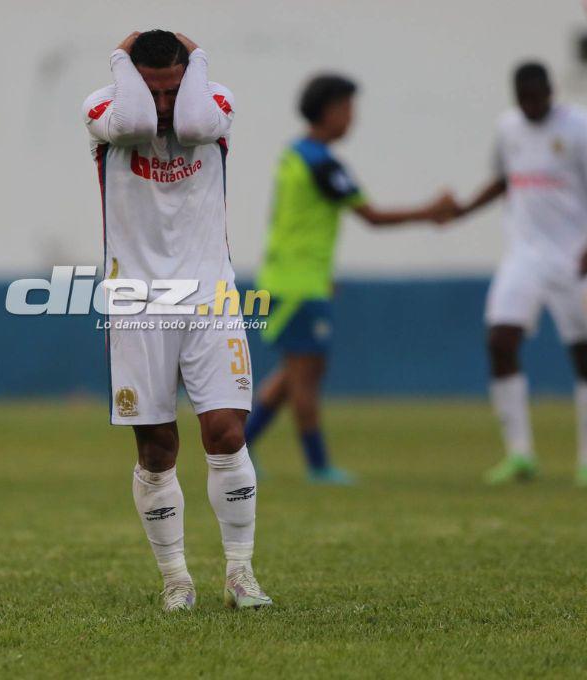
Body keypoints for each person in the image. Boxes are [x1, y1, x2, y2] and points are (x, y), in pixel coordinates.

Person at [82, 30, 271, 611]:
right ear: (131, 80)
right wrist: (123, 58)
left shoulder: (213, 105)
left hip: (210, 296)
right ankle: (176, 580)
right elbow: (138, 121)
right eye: (152, 90)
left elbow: (190, 127)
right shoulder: (104, 109)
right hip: (137, 303)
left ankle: (240, 573)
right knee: (157, 448)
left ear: (190, 78)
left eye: (173, 88)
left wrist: (198, 60)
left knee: (227, 434)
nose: (163, 105)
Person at [243, 74, 457, 484]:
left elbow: (298, 223)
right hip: (298, 284)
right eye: (348, 108)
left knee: (293, 373)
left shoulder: (295, 154)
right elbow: (372, 218)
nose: (352, 118)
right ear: (330, 110)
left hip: (291, 279)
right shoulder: (321, 163)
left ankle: (241, 446)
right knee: (307, 373)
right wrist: (430, 212)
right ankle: (318, 465)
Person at [449, 62, 587, 487]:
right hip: (524, 256)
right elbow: (503, 180)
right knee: (500, 340)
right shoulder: (509, 128)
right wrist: (464, 210)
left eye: (537, 97)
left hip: (576, 258)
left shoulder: (580, 126)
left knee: (586, 355)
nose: (530, 105)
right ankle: (520, 455)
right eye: (522, 99)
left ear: (550, 92)